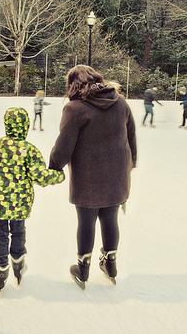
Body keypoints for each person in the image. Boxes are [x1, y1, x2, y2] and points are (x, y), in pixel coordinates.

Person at [49, 65, 137, 289]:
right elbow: (131, 136)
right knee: (110, 218)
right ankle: (111, 264)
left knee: (86, 222)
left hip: (88, 177)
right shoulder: (120, 102)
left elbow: (64, 144)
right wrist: (130, 164)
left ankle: (83, 268)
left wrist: (54, 166)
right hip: (117, 174)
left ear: (73, 84)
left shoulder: (75, 109)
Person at [0, 107, 65, 294]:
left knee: (0, 235)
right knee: (18, 232)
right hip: (19, 204)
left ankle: (1, 267)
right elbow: (41, 176)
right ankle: (18, 261)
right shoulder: (29, 150)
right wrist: (59, 176)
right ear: (26, 125)